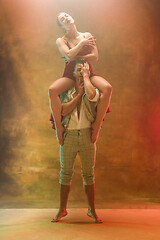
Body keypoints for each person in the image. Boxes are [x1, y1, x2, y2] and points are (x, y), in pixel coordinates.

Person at [48, 12, 112, 146]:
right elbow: (68, 55)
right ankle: (59, 127)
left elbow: (95, 56)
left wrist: (75, 57)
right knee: (52, 89)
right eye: (62, 19)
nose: (66, 18)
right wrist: (82, 44)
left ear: (72, 17)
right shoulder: (61, 40)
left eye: (66, 15)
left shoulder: (87, 35)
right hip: (70, 74)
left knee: (107, 88)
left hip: (88, 72)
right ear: (62, 25)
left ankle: (97, 124)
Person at [51, 60, 103, 223]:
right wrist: (78, 95)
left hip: (87, 135)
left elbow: (93, 96)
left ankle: (92, 211)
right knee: (65, 173)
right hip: (70, 135)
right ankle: (62, 210)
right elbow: (63, 111)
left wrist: (86, 79)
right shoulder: (65, 91)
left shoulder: (91, 88)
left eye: (84, 69)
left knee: (89, 174)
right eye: (78, 69)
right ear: (72, 73)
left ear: (88, 71)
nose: (81, 72)